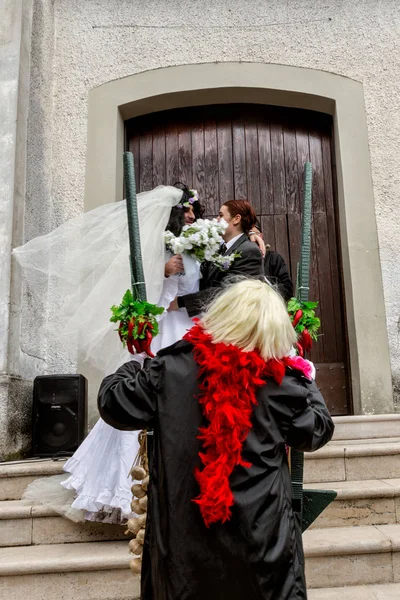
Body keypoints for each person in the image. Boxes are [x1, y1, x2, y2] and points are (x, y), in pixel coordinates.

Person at [99, 278, 334, 600]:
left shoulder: (169, 367)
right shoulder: (283, 383)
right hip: (261, 538)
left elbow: (115, 405)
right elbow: (316, 430)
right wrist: (307, 381)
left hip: (184, 541)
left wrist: (131, 367)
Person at [18, 184, 205, 523]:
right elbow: (136, 288)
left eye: (194, 210)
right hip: (161, 330)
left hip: (187, 329)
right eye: (188, 210)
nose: (192, 215)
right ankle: (124, 494)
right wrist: (164, 273)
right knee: (142, 399)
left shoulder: (197, 247)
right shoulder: (153, 249)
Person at [170, 199, 264, 317]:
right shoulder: (219, 248)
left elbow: (227, 292)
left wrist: (179, 302)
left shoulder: (248, 250)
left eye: (220, 215)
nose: (217, 220)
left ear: (236, 219)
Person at [250, 220, 294, 302]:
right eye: (250, 233)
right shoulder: (239, 258)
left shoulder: (274, 258)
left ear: (261, 236)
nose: (253, 237)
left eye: (256, 233)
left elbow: (287, 288)